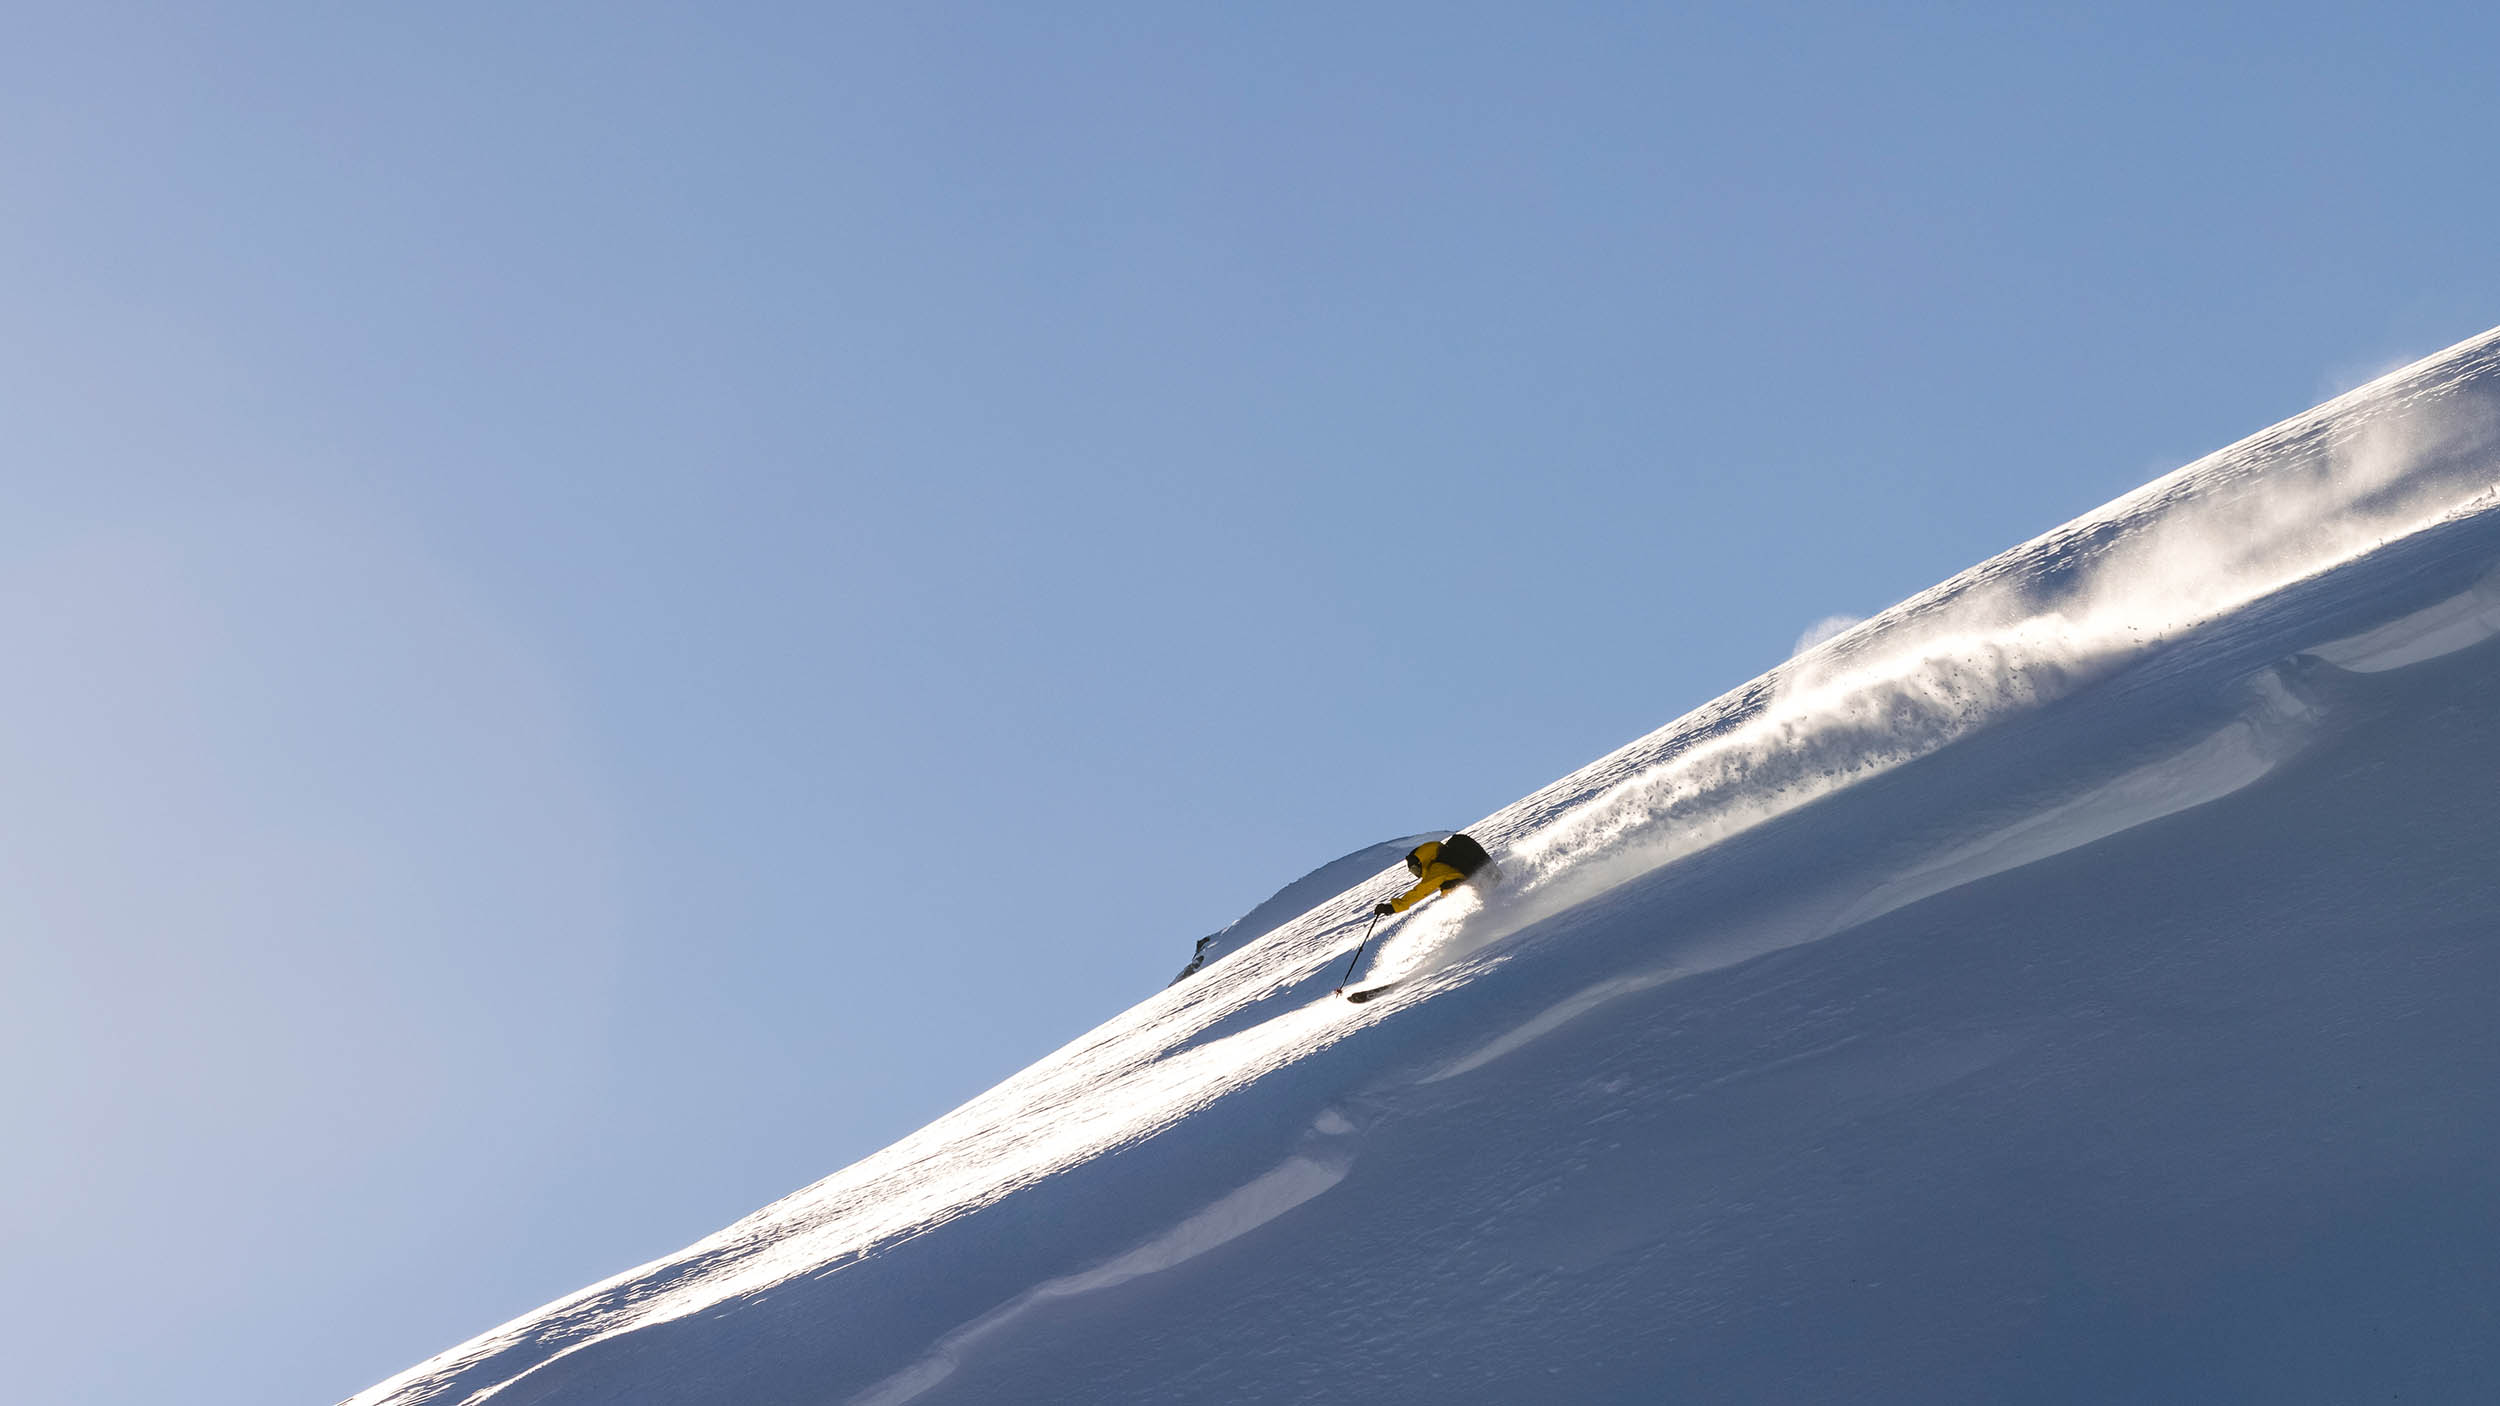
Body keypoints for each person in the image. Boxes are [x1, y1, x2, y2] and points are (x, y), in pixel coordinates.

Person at [1374, 832, 1493, 915]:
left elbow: (1421, 890)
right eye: (1413, 872)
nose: (1417, 874)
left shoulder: (1437, 868)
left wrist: (1393, 907)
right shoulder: (1441, 863)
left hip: (1468, 895)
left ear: (1422, 861)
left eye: (1415, 869)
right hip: (1470, 892)